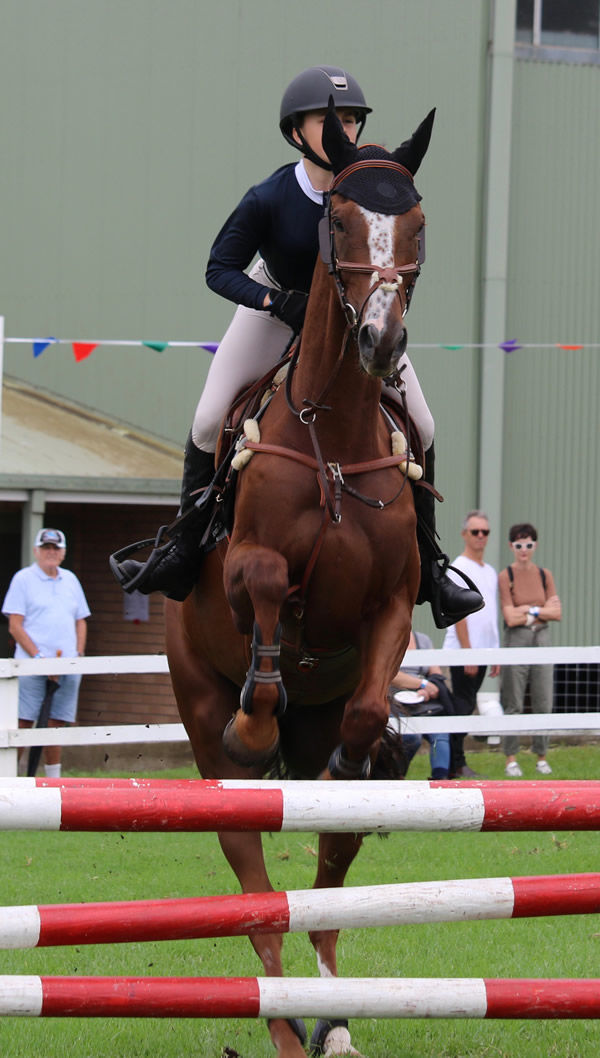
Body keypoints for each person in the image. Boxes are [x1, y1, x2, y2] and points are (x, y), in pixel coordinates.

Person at [113, 65, 482, 629]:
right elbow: (219, 268)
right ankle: (184, 546)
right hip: (276, 312)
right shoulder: (271, 196)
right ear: (296, 132)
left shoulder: (371, 193)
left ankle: (430, 565)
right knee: (211, 418)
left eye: (354, 119)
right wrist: (272, 303)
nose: (347, 129)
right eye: (331, 120)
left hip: (356, 322)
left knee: (424, 426)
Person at [2, 528, 90, 777]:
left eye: (56, 548)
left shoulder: (71, 580)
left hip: (67, 665)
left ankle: (54, 782)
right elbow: (15, 625)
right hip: (31, 666)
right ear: (36, 551)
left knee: (56, 724)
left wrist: (78, 656)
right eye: (46, 548)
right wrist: (40, 660)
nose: (51, 553)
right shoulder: (23, 579)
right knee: (22, 722)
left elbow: (81, 620)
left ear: (63, 553)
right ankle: (10, 779)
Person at [498, 522, 562, 777]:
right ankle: (511, 758)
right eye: (518, 545)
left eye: (528, 545)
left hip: (542, 638)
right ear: (511, 547)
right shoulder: (506, 576)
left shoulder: (544, 575)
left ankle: (541, 756)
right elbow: (509, 617)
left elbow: (556, 612)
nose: (523, 550)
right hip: (517, 638)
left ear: (534, 546)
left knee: (543, 698)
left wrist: (529, 610)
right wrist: (539, 611)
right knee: (513, 698)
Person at [442, 510, 500, 778]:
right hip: (464, 652)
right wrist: (467, 653)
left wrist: (495, 653)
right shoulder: (458, 567)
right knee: (462, 707)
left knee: (466, 704)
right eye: (475, 531)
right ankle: (456, 763)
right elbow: (459, 615)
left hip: (483, 651)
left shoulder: (489, 571)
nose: (480, 537)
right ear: (465, 534)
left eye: (484, 532)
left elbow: (491, 615)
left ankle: (455, 762)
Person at [389, 628, 452, 778]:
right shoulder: (384, 637)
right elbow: (389, 674)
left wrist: (427, 690)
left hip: (421, 700)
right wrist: (422, 684)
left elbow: (436, 673)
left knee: (440, 733)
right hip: (392, 700)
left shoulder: (423, 639)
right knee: (411, 738)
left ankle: (440, 779)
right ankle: (396, 775)